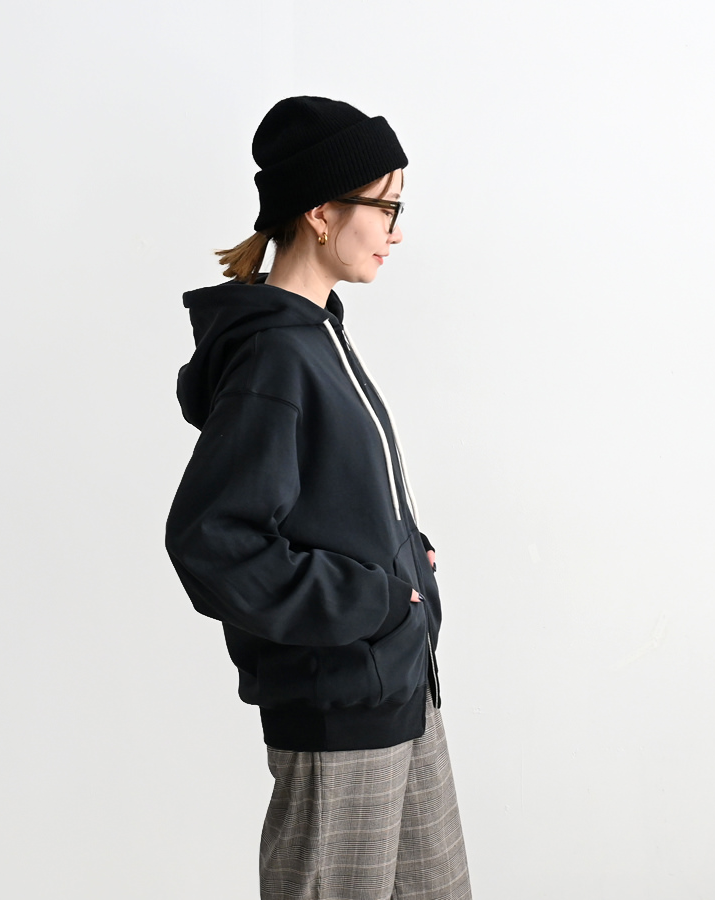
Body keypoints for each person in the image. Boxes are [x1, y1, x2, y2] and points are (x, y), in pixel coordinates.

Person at [166, 96, 472, 900]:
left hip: (401, 689)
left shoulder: (319, 333)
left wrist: (406, 555)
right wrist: (374, 598)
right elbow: (213, 540)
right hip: (339, 712)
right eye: (386, 205)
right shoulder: (275, 354)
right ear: (322, 212)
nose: (396, 229)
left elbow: (332, 499)